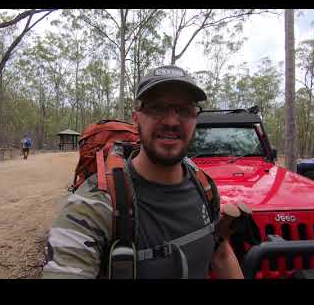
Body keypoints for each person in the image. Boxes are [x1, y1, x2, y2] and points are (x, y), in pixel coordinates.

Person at [42, 65, 244, 279]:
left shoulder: (205, 188)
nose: (171, 121)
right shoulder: (94, 205)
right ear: (136, 118)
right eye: (157, 108)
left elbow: (220, 254)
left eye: (184, 110)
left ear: (195, 119)